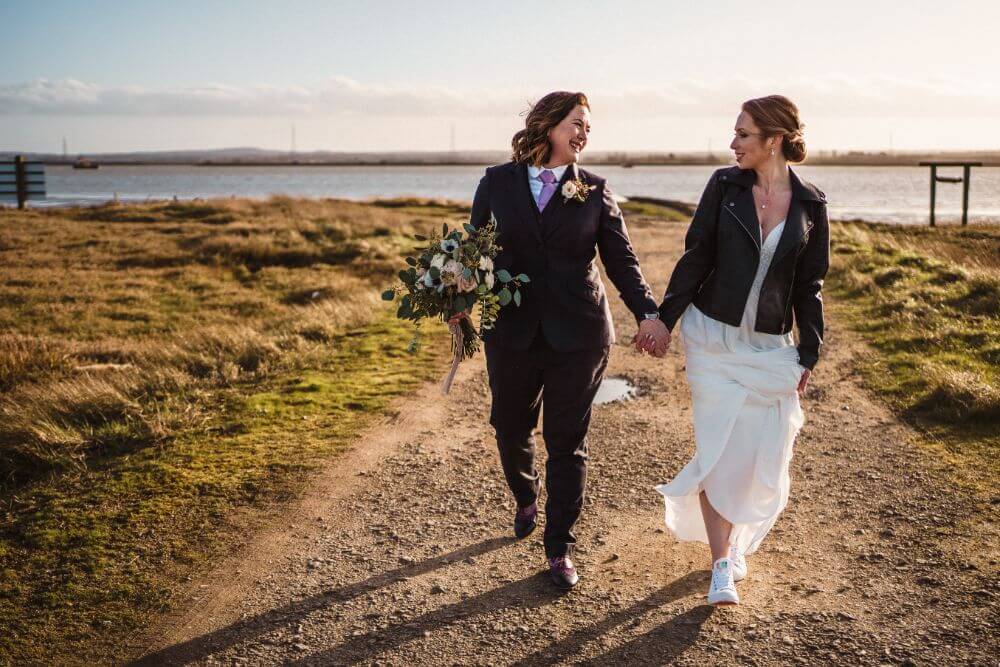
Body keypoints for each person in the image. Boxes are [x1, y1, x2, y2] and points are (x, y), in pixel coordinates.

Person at [465, 91, 669, 589]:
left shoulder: (594, 189)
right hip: (510, 330)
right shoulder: (497, 183)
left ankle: (559, 546)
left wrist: (648, 313)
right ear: (548, 125)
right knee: (509, 425)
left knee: (567, 442)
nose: (583, 134)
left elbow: (621, 260)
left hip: (579, 332)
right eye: (576, 124)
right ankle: (525, 495)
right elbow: (472, 251)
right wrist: (456, 302)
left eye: (588, 128)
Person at [652, 95, 830, 606]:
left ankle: (735, 543)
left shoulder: (811, 205)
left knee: (761, 454)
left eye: (743, 134)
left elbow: (810, 284)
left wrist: (808, 353)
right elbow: (696, 256)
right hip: (712, 338)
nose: (733, 143)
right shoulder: (724, 187)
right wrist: (666, 321)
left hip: (770, 343)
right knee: (719, 450)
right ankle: (721, 564)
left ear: (773, 140)